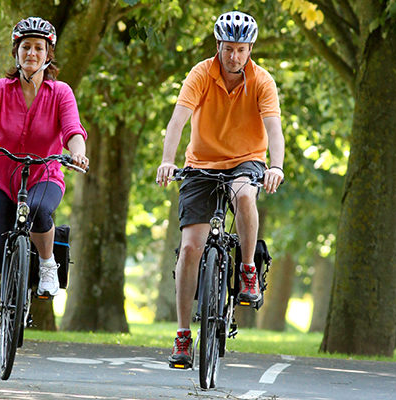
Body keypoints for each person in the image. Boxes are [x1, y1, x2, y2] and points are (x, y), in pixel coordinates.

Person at [155, 11, 285, 369]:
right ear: (219, 46)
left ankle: (246, 269)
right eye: (229, 49)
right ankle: (183, 336)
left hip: (246, 161)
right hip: (201, 164)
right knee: (191, 248)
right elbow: (177, 120)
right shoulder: (200, 74)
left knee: (245, 194)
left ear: (250, 49)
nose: (234, 57)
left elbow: (274, 129)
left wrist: (276, 165)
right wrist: (168, 160)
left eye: (241, 49)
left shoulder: (262, 81)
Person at [0, 16, 89, 356]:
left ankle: (47, 264)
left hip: (45, 173)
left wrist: (78, 154)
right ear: (16, 52)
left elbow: (72, 129)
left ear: (49, 54)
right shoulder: (0, 89)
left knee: (37, 209)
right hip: (0, 176)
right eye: (26, 47)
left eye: (38, 47)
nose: (31, 53)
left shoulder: (60, 92)